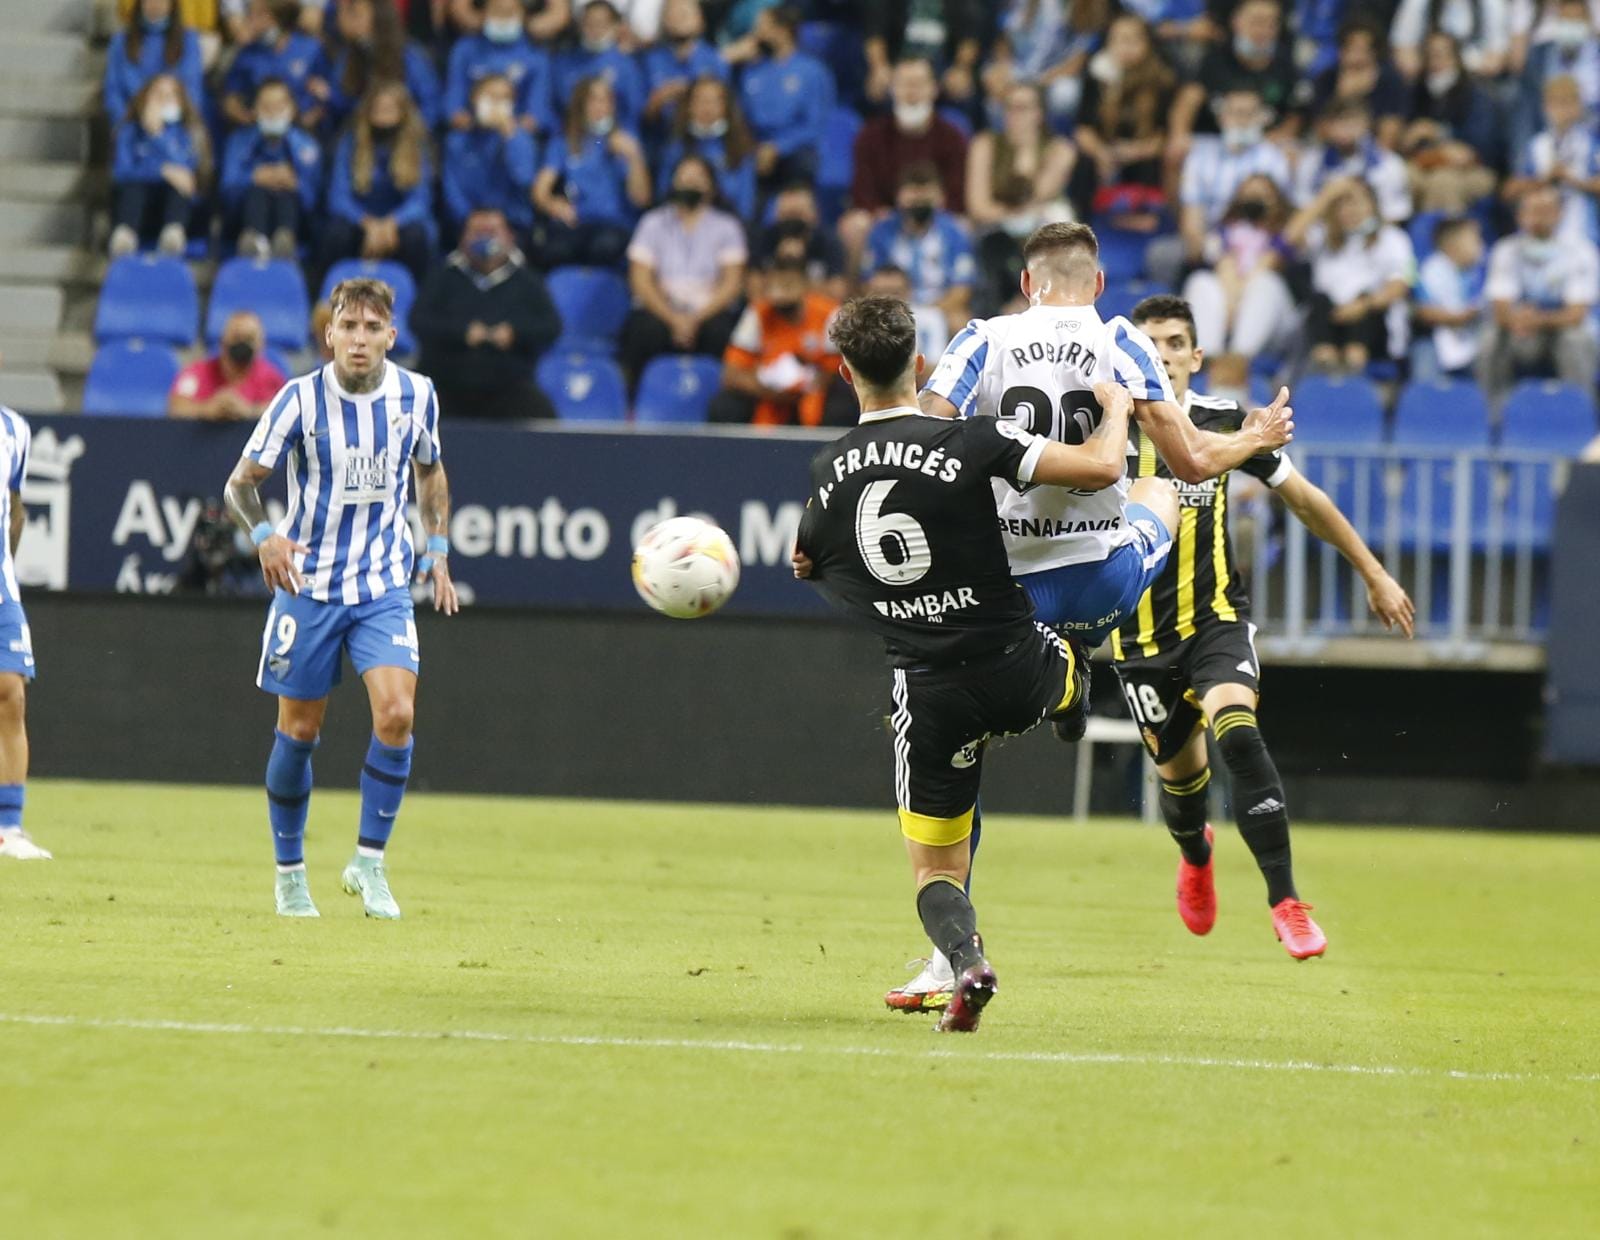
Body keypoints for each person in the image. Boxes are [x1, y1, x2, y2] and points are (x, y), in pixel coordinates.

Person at [792, 294, 1136, 1032]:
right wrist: (1114, 407)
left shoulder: (829, 474)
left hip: (930, 692)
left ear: (845, 372)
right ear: (918, 364)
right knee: (1135, 539)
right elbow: (1104, 468)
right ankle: (1073, 690)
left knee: (935, 873)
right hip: (1016, 663)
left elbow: (807, 560)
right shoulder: (971, 439)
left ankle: (966, 958)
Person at [1113, 293, 1414, 959]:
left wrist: (1373, 572)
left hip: (1217, 621)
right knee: (1182, 792)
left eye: (1173, 342)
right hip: (1139, 642)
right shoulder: (1103, 429)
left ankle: (1286, 902)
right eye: (1148, 342)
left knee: (1239, 733)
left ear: (1196, 357)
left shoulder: (1224, 421)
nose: (1161, 353)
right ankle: (1196, 856)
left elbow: (1305, 499)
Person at [223, 277, 459, 919]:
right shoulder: (298, 400)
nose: (358, 339)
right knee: (299, 730)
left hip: (382, 585)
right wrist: (267, 536)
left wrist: (436, 549)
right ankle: (290, 873)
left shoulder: (417, 395)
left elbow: (429, 468)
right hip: (310, 586)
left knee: (397, 715)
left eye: (371, 327)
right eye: (347, 327)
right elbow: (240, 486)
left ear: (391, 334)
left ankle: (370, 863)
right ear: (329, 334)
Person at [412, 209, 561, 420]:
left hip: (509, 386)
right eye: (477, 232)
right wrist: (463, 332)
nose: (484, 239)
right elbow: (418, 321)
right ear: (463, 238)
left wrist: (514, 333)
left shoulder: (527, 281)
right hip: (448, 382)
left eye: (491, 232)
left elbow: (551, 326)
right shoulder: (443, 277)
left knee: (542, 415)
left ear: (510, 237)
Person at [620, 154, 747, 386]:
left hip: (707, 311)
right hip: (662, 309)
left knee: (722, 333)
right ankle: (635, 408)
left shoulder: (727, 227)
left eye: (698, 177)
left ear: (711, 186)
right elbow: (640, 280)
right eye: (685, 177)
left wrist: (694, 319)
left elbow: (732, 283)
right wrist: (673, 318)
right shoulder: (652, 223)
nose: (690, 183)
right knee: (642, 331)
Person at [1156, 89, 1292, 287]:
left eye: (1249, 114)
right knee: (1162, 255)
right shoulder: (1200, 156)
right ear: (1221, 117)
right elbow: (1192, 217)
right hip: (1210, 239)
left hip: (1260, 242)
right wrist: (1204, 248)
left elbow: (1278, 217)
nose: (1242, 120)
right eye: (1236, 113)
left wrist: (1242, 249)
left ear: (1263, 118)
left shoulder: (1274, 159)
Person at [1478, 182, 1600, 403]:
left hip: (1561, 332)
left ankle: (1580, 411)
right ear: (1520, 215)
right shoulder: (1505, 250)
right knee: (1490, 338)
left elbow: (1576, 313)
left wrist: (1537, 319)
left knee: (1576, 339)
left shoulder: (1581, 251)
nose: (1539, 218)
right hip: (1520, 331)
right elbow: (1500, 308)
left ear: (1559, 214)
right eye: (1532, 211)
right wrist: (1519, 320)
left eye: (1546, 211)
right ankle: (1494, 414)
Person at [840, 57, 970, 265]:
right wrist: (888, 214)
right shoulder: (870, 136)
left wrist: (927, 211)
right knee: (855, 224)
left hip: (936, 216)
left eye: (918, 84)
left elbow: (957, 195)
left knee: (964, 226)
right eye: (904, 84)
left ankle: (955, 291)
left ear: (934, 89)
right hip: (886, 217)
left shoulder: (952, 137)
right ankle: (859, 295)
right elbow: (862, 193)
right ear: (892, 89)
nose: (911, 92)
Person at [964, 83, 1077, 316]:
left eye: (1024, 108)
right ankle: (998, 305)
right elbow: (977, 206)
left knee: (1058, 217)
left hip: (1039, 229)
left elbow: (1037, 193)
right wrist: (1014, 214)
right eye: (1010, 108)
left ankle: (1049, 300)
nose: (1016, 115)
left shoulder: (1060, 149)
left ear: (1040, 113)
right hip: (996, 231)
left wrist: (1026, 151)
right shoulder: (985, 144)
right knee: (987, 236)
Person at [1287, 176, 1415, 374]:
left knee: (1364, 303)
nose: (1351, 210)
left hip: (1371, 319)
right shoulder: (1324, 237)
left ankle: (1352, 369)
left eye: (1357, 202)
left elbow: (1401, 285)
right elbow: (1289, 238)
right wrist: (1325, 197)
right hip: (1329, 320)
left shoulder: (1393, 238)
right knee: (1319, 302)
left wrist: (1362, 306)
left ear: (1372, 205)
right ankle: (1326, 365)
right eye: (1343, 204)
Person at [1181, 173, 1298, 388]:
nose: (1255, 200)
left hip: (1274, 323)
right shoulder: (1224, 231)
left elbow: (1269, 262)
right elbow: (1222, 264)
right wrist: (1232, 304)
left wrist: (1238, 301)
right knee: (1202, 281)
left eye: (1263, 195)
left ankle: (1237, 359)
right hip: (1229, 316)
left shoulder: (1284, 233)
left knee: (1265, 283)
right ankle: (1210, 359)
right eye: (1249, 194)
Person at [711, 256, 849, 426]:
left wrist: (800, 386)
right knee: (725, 406)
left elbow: (834, 372)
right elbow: (731, 374)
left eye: (788, 284)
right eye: (774, 285)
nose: (780, 292)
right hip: (766, 392)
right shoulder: (757, 313)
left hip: (814, 393)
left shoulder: (829, 313)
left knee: (841, 407)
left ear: (804, 285)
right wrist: (768, 390)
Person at [321, 81, 437, 282]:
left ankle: (418, 301)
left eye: (390, 108)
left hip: (400, 223)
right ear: (367, 111)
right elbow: (338, 197)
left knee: (417, 236)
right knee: (336, 234)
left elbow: (420, 200)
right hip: (359, 221)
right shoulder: (350, 142)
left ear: (403, 112)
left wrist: (390, 224)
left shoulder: (417, 145)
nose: (383, 114)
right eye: (378, 108)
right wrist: (368, 224)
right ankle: (331, 296)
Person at [533, 75, 651, 268]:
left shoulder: (626, 142)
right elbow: (540, 190)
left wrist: (634, 159)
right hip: (576, 223)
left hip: (614, 225)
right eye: (592, 100)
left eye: (605, 100)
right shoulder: (564, 142)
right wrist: (553, 204)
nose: (599, 106)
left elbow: (641, 199)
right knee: (555, 250)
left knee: (604, 247)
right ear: (580, 105)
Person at [1168, 0, 1308, 160]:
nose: (1263, 30)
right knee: (1175, 153)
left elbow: (1297, 111)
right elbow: (1189, 98)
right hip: (1215, 142)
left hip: (1264, 144)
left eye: (1271, 23)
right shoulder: (1214, 59)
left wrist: (1277, 138)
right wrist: (1179, 134)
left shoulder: (1285, 64)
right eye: (1257, 22)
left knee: (1292, 155)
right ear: (1236, 21)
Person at [1073, 13, 1175, 222]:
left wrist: (1132, 152)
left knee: (1155, 163)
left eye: (1134, 40)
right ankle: (1083, 223)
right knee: (1084, 163)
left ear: (1147, 44)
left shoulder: (1162, 80)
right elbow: (1083, 129)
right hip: (1106, 153)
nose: (1126, 47)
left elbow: (1163, 137)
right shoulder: (1095, 77)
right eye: (1120, 39)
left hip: (1140, 153)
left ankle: (1142, 218)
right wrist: (1102, 153)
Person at [0, 407, 47, 861]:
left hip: (0, 586)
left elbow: (14, 507)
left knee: (11, 693)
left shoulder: (14, 429)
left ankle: (8, 827)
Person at [861, 163, 978, 332]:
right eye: (914, 197)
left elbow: (962, 289)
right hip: (893, 304)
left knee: (961, 323)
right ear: (899, 196)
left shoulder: (954, 233)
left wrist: (928, 310)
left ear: (940, 198)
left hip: (940, 305)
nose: (919, 203)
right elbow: (868, 283)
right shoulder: (882, 231)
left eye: (926, 197)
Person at [220, 77, 322, 259]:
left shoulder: (307, 145)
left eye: (279, 106)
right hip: (244, 215)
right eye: (266, 107)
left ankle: (285, 240)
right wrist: (254, 177)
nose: (273, 113)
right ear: (255, 110)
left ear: (292, 109)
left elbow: (314, 199)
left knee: (285, 194)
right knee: (257, 192)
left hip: (295, 216)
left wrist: (294, 183)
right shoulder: (238, 140)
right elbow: (227, 189)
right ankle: (253, 242)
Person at [1402, 32, 1503, 213]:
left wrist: (1440, 133)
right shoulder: (1417, 91)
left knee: (1443, 183)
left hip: (1472, 168)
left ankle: (1447, 238)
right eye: (1430, 54)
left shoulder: (1475, 92)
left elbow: (1483, 142)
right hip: (1425, 162)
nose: (1435, 61)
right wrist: (1409, 139)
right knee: (1400, 177)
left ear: (1455, 57)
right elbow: (1408, 137)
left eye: (1441, 54)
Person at [108, 73, 207, 259]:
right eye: (158, 96)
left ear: (182, 102)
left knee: (178, 187)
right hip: (138, 211)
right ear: (144, 100)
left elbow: (187, 178)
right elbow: (121, 173)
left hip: (178, 212)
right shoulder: (128, 131)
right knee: (134, 188)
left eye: (170, 96)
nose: (164, 101)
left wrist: (158, 135)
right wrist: (162, 171)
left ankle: (173, 236)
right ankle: (125, 237)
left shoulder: (188, 134)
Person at [739, 5, 834, 188]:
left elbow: (815, 125)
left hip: (795, 151)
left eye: (762, 27)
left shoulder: (812, 71)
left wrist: (778, 147)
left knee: (802, 161)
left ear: (782, 31)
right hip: (754, 148)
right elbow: (741, 119)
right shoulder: (751, 71)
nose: (755, 33)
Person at [317, 0, 444, 134]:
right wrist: (330, 95)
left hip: (406, 137)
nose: (353, 21)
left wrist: (412, 134)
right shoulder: (349, 56)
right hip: (362, 138)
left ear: (379, 17)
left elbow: (431, 103)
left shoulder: (409, 55)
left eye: (359, 15)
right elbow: (348, 103)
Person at [980, 0, 1110, 128]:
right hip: (1020, 67)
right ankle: (1003, 141)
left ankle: (1053, 140)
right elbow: (1005, 40)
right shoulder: (1026, 4)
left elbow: (1075, 64)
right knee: (992, 79)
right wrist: (1004, 69)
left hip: (1055, 77)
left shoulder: (1091, 7)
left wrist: (1035, 83)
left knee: (1065, 94)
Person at [1505, 75, 1600, 244]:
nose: (1561, 110)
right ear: (1545, 107)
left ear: (1579, 106)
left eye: (1567, 102)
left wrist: (1574, 180)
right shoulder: (1537, 145)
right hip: (1540, 226)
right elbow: (1511, 190)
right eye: (1554, 103)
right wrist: (1545, 179)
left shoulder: (1591, 143)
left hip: (1581, 229)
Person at [442, 73, 539, 238]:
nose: (496, 104)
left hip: (511, 223)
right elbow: (452, 189)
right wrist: (469, 218)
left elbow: (524, 179)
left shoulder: (521, 139)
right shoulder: (456, 141)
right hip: (466, 223)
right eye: (491, 96)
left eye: (504, 98)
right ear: (474, 99)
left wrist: (510, 137)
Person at [442, 0, 556, 135]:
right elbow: (454, 95)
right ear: (483, 13)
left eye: (509, 12)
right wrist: (459, 117)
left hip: (516, 130)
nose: (503, 18)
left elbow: (538, 107)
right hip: (471, 130)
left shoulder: (536, 56)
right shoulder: (464, 49)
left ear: (523, 15)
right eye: (497, 11)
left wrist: (517, 127)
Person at [1292, 98, 1413, 225]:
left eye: (1352, 122)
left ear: (1366, 124)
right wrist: (1329, 196)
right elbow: (1301, 210)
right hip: (1325, 234)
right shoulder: (1311, 162)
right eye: (1339, 122)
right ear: (1327, 125)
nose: (1345, 129)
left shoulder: (1390, 163)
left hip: (1372, 235)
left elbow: (1394, 216)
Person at [656, 76, 757, 222]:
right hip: (680, 223)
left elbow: (745, 206)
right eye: (700, 100)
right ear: (689, 106)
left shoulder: (740, 148)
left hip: (726, 225)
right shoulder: (676, 147)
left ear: (726, 106)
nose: (707, 107)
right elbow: (663, 194)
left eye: (714, 101)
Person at [222, 0, 327, 129]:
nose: (250, 20)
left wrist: (308, 119)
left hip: (302, 132)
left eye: (257, 15)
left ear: (277, 19)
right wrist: (244, 117)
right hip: (257, 131)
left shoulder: (311, 49)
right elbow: (230, 97)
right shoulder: (247, 54)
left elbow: (326, 93)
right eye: (250, 14)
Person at [1309, 18, 1410, 148]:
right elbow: (1320, 128)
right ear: (1341, 51)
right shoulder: (1328, 78)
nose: (1356, 56)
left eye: (1363, 49)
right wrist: (1342, 96)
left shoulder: (1391, 80)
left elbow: (1392, 127)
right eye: (1350, 48)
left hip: (1376, 151)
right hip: (1332, 150)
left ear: (1374, 53)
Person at [169, 311, 288, 419]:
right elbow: (176, 407)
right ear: (222, 341)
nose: (242, 343)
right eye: (236, 337)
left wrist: (249, 411)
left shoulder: (271, 378)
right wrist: (206, 409)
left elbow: (286, 411)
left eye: (249, 338)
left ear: (261, 345)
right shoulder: (196, 373)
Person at [862, 0, 985, 105]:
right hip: (899, 70)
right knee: (875, 91)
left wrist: (961, 69)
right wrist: (879, 67)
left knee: (965, 92)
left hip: (942, 73)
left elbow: (969, 36)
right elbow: (875, 31)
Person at [1413, 215, 1489, 383]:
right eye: (1475, 240)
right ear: (1452, 246)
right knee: (1424, 357)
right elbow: (1425, 312)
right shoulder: (1430, 271)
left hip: (1472, 337)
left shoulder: (1479, 271)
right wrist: (1460, 317)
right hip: (1434, 338)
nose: (1481, 246)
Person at [103, 0, 204, 126]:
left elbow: (192, 92)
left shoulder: (188, 40)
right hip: (131, 124)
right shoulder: (121, 41)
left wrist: (164, 125)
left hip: (175, 129)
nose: (155, 4)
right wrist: (131, 125)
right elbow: (113, 93)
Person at [554, 1, 647, 131]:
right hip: (572, 136)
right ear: (580, 25)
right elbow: (557, 106)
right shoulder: (565, 62)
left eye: (601, 24)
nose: (594, 29)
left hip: (614, 138)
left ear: (614, 26)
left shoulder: (627, 66)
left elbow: (634, 111)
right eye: (589, 23)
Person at [641, 0, 729, 129]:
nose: (680, 18)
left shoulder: (716, 60)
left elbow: (728, 112)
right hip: (661, 140)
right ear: (664, 20)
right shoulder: (649, 60)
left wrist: (692, 94)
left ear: (701, 20)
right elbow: (638, 115)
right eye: (673, 13)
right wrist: (660, 99)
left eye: (685, 12)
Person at [752, 181, 849, 298]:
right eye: (786, 215)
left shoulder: (828, 241)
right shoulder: (766, 238)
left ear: (814, 215)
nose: (792, 222)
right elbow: (754, 292)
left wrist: (798, 267)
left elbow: (837, 295)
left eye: (798, 214)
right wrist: (782, 264)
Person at [1391, 0, 1510, 79]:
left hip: (1474, 77)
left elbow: (1496, 59)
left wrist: (1458, 69)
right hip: (1430, 75)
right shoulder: (1418, 3)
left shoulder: (1490, 3)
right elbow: (1403, 50)